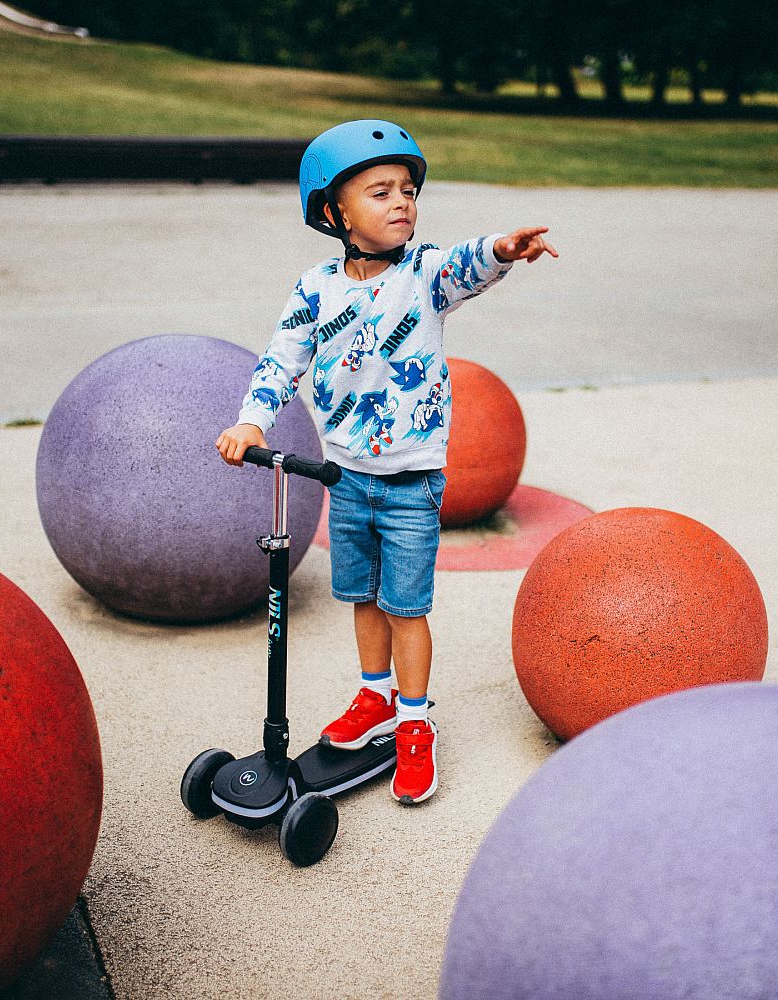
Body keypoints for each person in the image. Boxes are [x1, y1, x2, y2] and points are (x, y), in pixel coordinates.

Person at [217, 119, 556, 805]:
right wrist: (252, 419)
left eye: (408, 189)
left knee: (405, 607)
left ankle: (413, 719)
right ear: (336, 213)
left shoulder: (423, 274)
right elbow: (282, 359)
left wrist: (502, 249)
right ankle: (374, 696)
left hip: (410, 484)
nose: (401, 201)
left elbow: (465, 263)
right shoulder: (316, 288)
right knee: (363, 598)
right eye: (380, 192)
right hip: (345, 479)